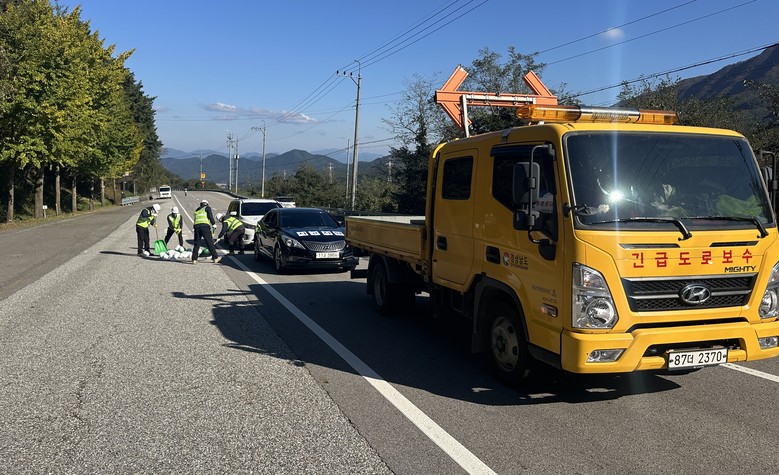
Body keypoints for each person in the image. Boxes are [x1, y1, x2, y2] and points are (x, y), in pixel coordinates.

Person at [192, 199, 221, 264]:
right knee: (209, 242)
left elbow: (195, 219)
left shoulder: (197, 210)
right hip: (205, 227)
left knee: (197, 243)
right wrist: (213, 224)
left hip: (197, 227)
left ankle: (194, 259)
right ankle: (215, 258)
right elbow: (210, 216)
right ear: (206, 204)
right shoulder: (207, 208)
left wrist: (193, 227)